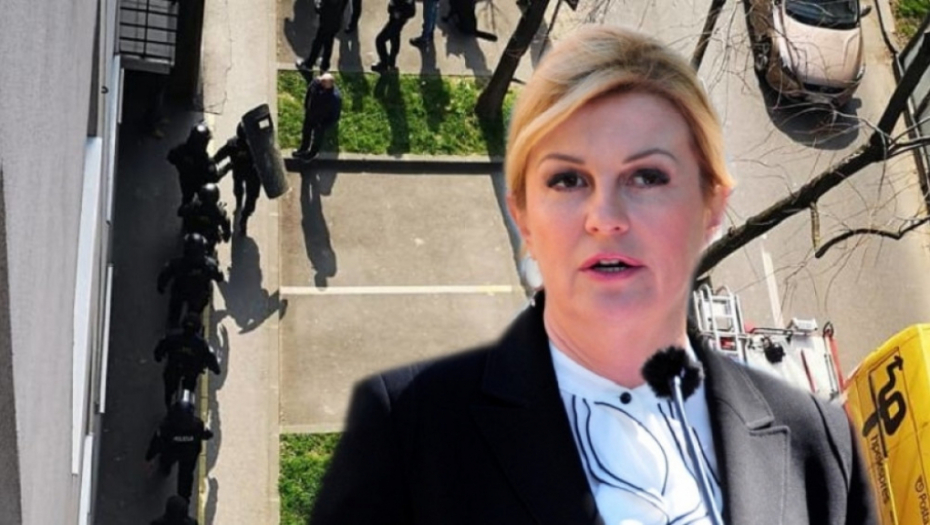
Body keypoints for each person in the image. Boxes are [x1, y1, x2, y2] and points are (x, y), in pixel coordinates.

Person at [307, 26, 878, 525]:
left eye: (648, 177)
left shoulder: (820, 448)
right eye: (567, 180)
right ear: (523, 216)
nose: (605, 218)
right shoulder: (411, 434)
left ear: (711, 207)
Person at [145, 397, 213, 502]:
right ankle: (183, 499)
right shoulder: (197, 425)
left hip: (171, 452)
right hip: (189, 455)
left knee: (166, 461)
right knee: (186, 476)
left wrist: (149, 457)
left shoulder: (167, 426)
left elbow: (157, 442)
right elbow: (205, 434)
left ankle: (165, 469)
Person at [157, 233, 225, 329]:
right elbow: (219, 277)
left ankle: (173, 323)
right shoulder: (209, 265)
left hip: (180, 292)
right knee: (195, 311)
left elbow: (165, 274)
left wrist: (161, 286)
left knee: (175, 309)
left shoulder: (177, 264)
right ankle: (192, 325)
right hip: (198, 295)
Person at [154, 313, 221, 409]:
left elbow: (160, 349)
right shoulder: (201, 344)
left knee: (169, 389)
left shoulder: (172, 337)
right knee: (189, 389)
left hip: (173, 369)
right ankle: (184, 407)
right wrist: (216, 369)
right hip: (190, 373)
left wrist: (158, 357)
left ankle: (169, 404)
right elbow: (210, 358)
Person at [214, 124, 262, 236]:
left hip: (244, 172)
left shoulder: (233, 144)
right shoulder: (255, 144)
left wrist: (212, 162)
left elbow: (220, 155)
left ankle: (242, 210)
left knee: (242, 191)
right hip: (250, 174)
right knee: (249, 196)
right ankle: (244, 216)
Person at [168, 124, 221, 205]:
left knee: (186, 199)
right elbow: (214, 177)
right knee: (206, 201)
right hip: (201, 186)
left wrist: (182, 165)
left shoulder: (181, 150)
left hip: (185, 181)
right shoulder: (205, 161)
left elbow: (171, 157)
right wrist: (227, 167)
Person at [293, 73, 342, 160]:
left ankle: (311, 154)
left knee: (317, 138)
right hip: (310, 114)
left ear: (330, 84)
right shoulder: (316, 83)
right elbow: (309, 94)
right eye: (321, 81)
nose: (320, 82)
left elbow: (335, 115)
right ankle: (303, 149)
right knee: (306, 132)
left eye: (323, 82)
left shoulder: (334, 97)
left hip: (321, 121)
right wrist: (307, 107)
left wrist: (324, 124)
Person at [178, 183, 232, 250]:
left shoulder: (195, 207)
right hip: (206, 238)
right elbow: (226, 225)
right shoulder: (219, 212)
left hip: (195, 237)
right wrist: (226, 236)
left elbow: (180, 212)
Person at [297, 0, 345, 73]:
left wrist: (317, 6)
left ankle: (309, 64)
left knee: (318, 42)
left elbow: (323, 8)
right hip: (337, 21)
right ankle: (325, 65)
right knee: (329, 43)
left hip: (326, 21)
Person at [371, 0, 416, 73]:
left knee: (380, 40)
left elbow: (411, 11)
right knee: (395, 38)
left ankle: (384, 64)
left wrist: (400, 14)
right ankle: (391, 62)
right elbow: (391, 5)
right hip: (394, 19)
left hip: (398, 21)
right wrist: (392, 10)